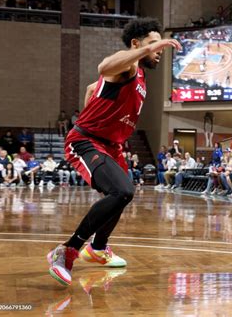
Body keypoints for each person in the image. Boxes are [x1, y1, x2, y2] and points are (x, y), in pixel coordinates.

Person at [47, 17, 182, 286]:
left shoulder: (139, 76)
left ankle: (98, 249)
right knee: (122, 191)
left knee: (121, 195)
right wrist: (89, 124)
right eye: (153, 45)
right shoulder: (129, 64)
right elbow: (103, 67)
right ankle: (67, 250)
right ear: (136, 44)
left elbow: (90, 88)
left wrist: (95, 108)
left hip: (111, 145)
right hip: (86, 141)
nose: (158, 51)